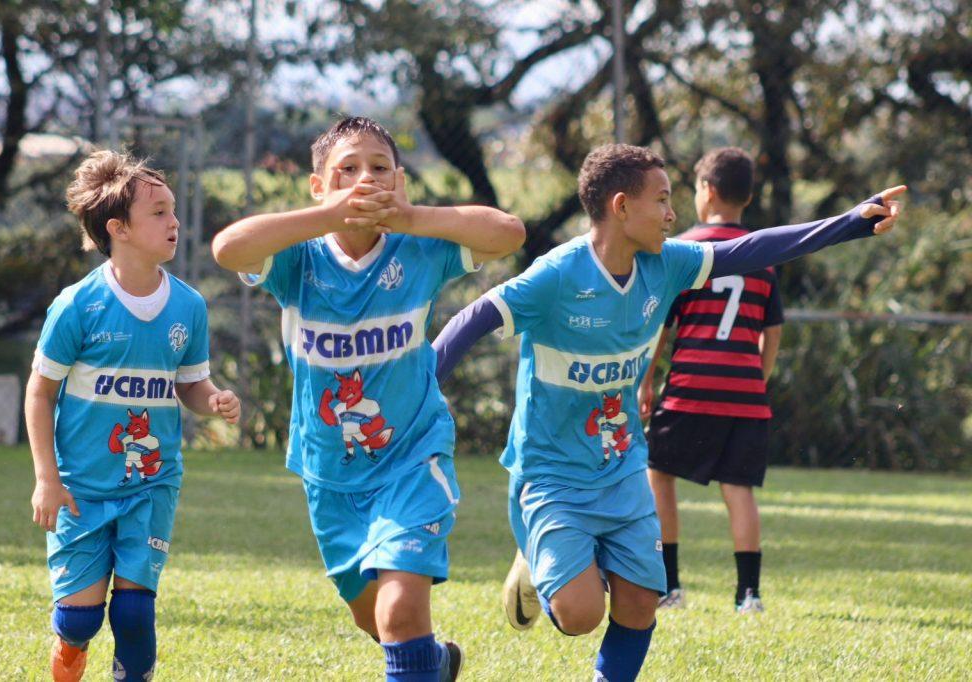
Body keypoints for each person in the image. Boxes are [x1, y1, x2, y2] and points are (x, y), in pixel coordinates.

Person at [432, 143, 904, 681]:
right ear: (621, 206)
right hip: (551, 474)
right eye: (661, 200)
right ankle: (539, 567)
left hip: (622, 468)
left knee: (640, 603)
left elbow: (751, 248)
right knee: (581, 614)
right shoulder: (558, 275)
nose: (672, 214)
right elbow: (472, 317)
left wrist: (850, 223)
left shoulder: (668, 264)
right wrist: (424, 387)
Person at [211, 116, 525, 682]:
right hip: (328, 473)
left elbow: (507, 232)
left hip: (411, 459)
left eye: (380, 168)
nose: (364, 179)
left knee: (399, 611)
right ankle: (436, 665)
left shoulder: (418, 250)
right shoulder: (299, 259)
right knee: (374, 618)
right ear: (318, 186)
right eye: (347, 169)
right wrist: (328, 216)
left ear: (399, 181)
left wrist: (410, 216)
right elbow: (227, 248)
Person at [26, 150, 241, 681]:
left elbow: (189, 384)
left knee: (134, 614)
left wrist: (213, 398)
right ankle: (69, 647)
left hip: (152, 483)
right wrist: (47, 479)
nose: (175, 222)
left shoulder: (188, 306)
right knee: (78, 620)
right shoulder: (77, 306)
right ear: (118, 229)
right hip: (81, 486)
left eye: (174, 210)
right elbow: (39, 393)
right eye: (159, 212)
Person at [639, 147, 782, 614]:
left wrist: (645, 382)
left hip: (690, 392)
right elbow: (773, 331)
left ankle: (669, 586)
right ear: (749, 196)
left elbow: (661, 325)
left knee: (659, 474)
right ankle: (748, 595)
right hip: (745, 396)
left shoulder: (685, 251)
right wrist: (757, 379)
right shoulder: (764, 257)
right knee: (738, 489)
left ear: (708, 190)